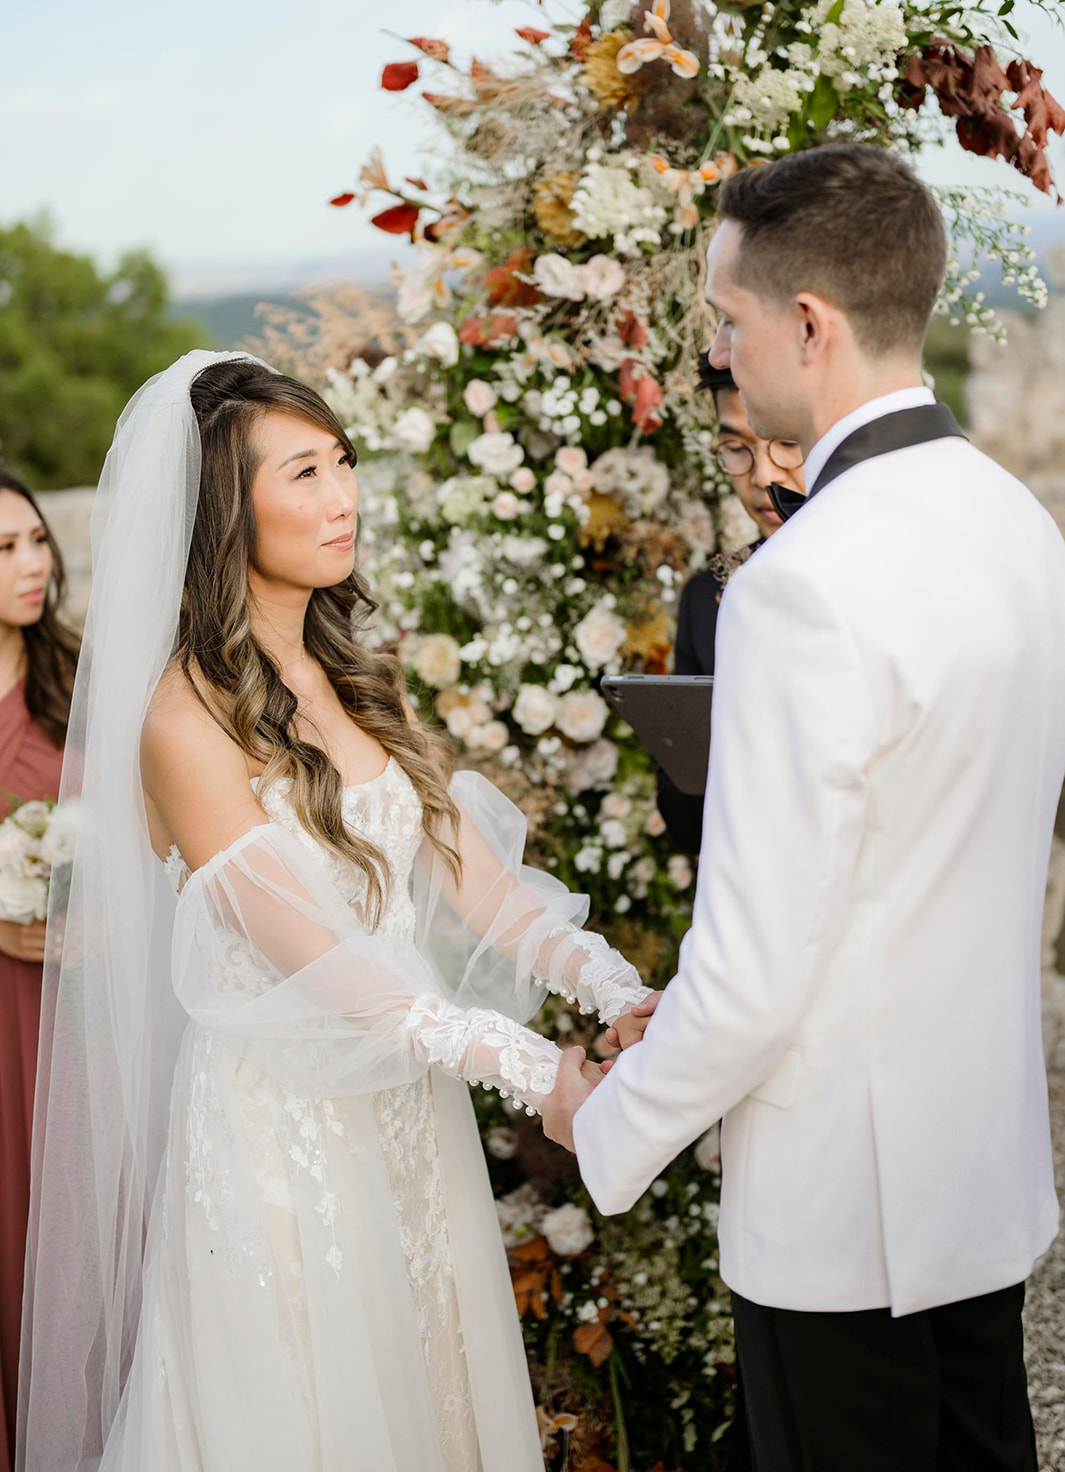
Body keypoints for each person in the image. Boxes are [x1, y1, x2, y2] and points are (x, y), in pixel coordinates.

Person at [18, 352, 651, 1472]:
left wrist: (611, 986)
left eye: (345, 461)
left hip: (407, 1104)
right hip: (282, 1128)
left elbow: (473, 875)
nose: (344, 494)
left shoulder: (360, 671)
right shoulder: (181, 719)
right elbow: (315, 957)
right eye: (304, 470)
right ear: (227, 511)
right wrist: (527, 1065)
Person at [545, 144, 1065, 1472]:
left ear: (808, 323)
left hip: (843, 1209)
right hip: (975, 1164)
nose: (720, 353)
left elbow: (755, 968)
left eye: (725, 321)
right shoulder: (1017, 525)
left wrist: (603, 1119)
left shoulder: (801, 581)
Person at [0, 470, 79, 1472]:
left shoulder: (76, 678)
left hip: (69, 1015)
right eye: (3, 550)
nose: (31, 565)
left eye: (34, 541)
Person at [656, 359, 805, 853]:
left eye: (787, 443)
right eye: (736, 449)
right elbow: (681, 811)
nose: (763, 476)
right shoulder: (706, 596)